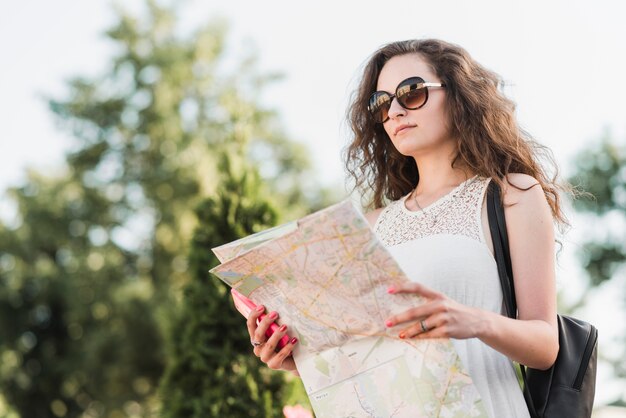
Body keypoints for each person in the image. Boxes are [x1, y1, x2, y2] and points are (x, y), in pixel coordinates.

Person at [246, 39, 569, 417]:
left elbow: (547, 347)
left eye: (411, 93)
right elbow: (365, 360)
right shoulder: (370, 226)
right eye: (381, 103)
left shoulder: (511, 194)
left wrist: (473, 321)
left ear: (460, 96)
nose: (394, 111)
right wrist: (298, 356)